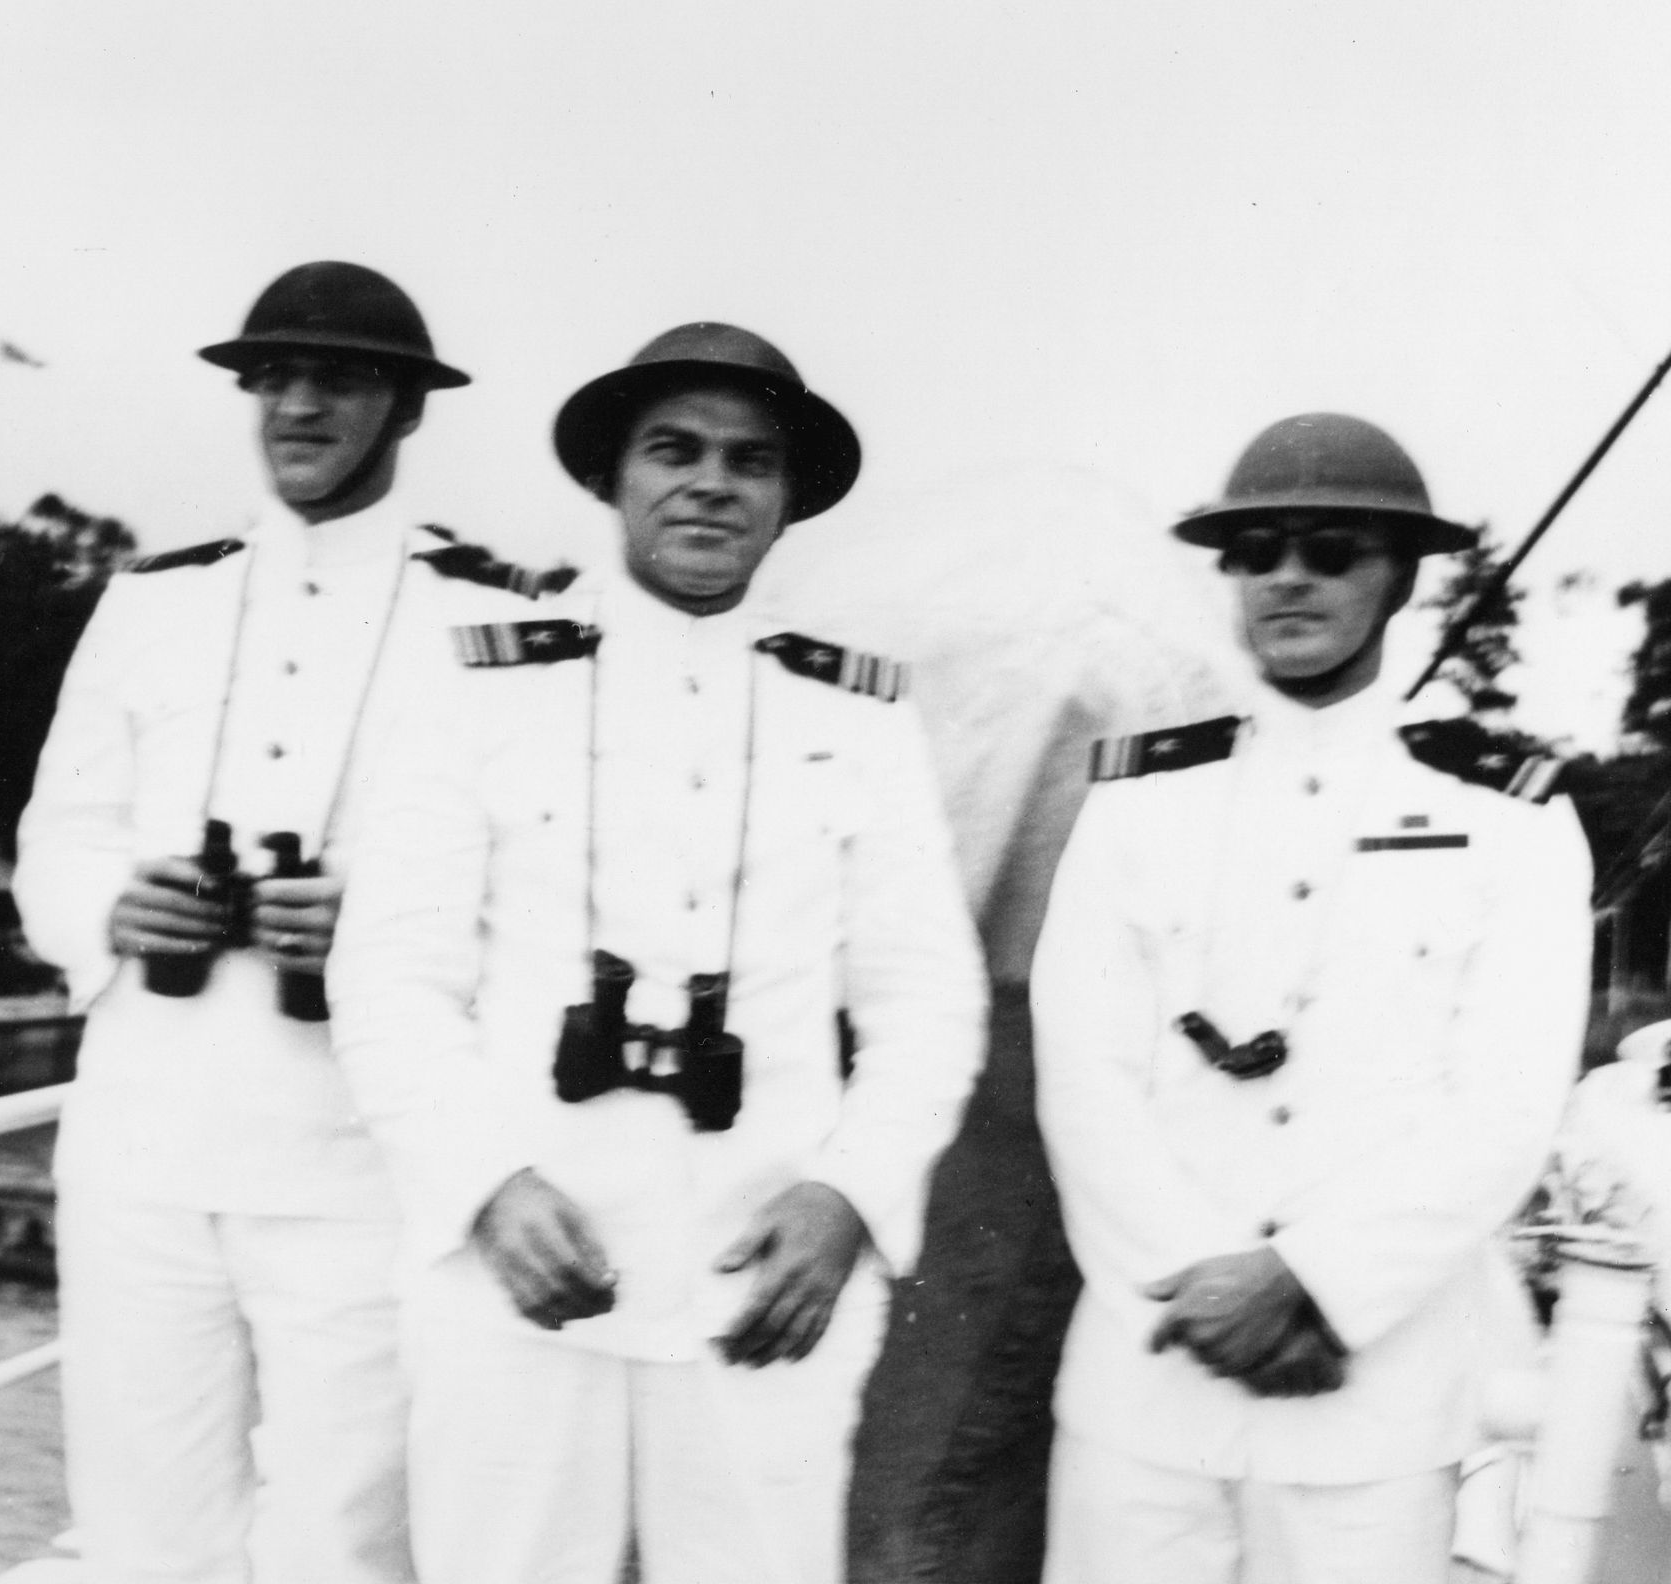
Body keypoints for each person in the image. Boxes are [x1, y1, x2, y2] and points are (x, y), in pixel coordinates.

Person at [327, 322, 988, 1584]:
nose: (708, 482)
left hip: (761, 1277)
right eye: (671, 451)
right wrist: (484, 1185)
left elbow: (926, 1003)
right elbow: (391, 977)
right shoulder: (479, 686)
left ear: (786, 504)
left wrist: (849, 1195)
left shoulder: (856, 715)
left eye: (749, 463)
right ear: (610, 480)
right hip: (520, 1267)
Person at [15, 260, 576, 1584]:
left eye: (340, 379)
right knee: (146, 1538)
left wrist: (376, 929)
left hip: (358, 1171)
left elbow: (538, 907)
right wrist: (116, 902)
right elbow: (58, 839)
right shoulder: (154, 600)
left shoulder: (499, 627)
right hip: (142, 1151)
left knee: (345, 1542)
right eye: (274, 378)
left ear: (408, 411)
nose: (300, 406)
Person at [1029, 413, 1594, 1584]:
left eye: (1332, 549)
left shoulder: (1511, 816)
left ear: (1399, 580)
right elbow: (1080, 1074)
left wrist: (1314, 1289)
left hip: (1370, 1402)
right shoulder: (1139, 800)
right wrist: (1209, 1291)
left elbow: (1504, 1107)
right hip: (1149, 1390)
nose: (1289, 576)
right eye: (1257, 550)